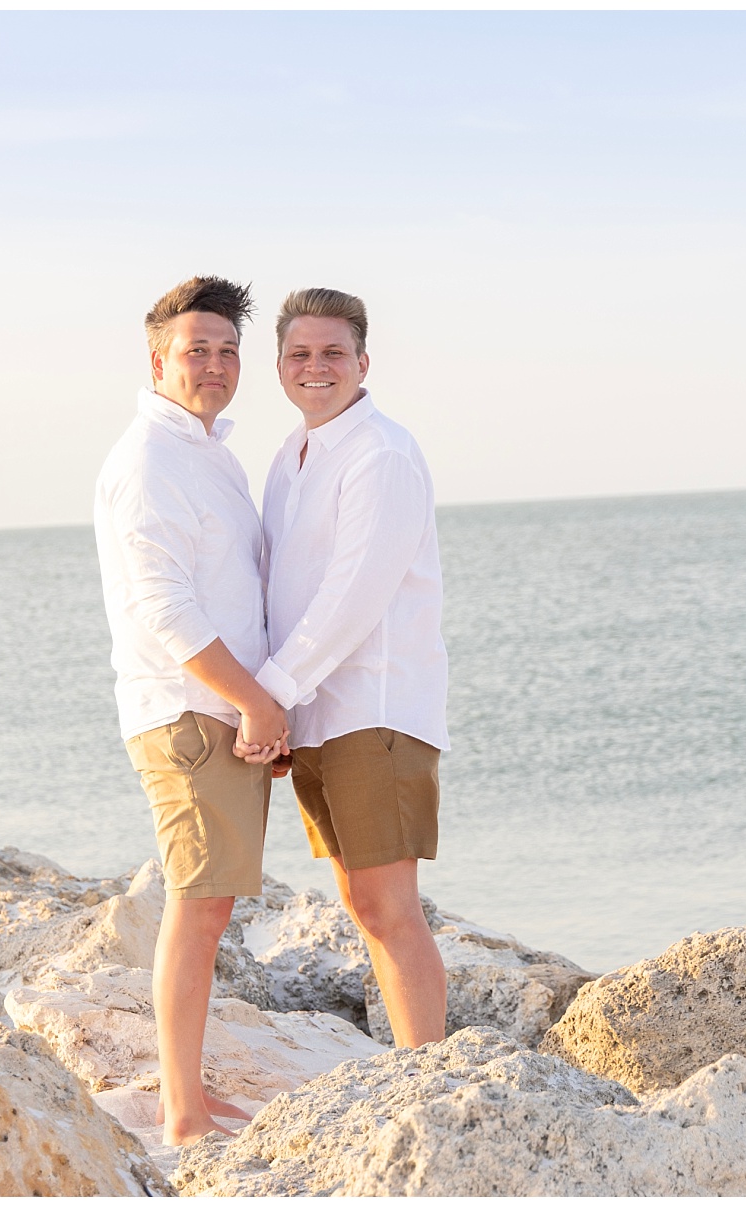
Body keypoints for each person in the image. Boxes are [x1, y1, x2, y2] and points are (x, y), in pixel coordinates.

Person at [93, 275, 289, 1145]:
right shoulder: (148, 461)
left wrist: (264, 705)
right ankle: (181, 1112)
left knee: (209, 906)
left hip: (225, 713)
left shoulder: (212, 455)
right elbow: (167, 611)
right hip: (187, 712)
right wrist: (255, 702)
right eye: (195, 349)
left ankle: (191, 1094)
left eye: (226, 349)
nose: (213, 363)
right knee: (198, 903)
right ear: (158, 359)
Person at [247, 286, 450, 1048]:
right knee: (362, 904)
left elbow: (353, 594)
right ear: (280, 366)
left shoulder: (382, 453)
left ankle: (427, 1067)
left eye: (333, 352)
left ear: (363, 361)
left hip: (376, 708)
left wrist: (268, 694)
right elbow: (279, 587)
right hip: (316, 714)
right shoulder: (291, 456)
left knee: (391, 906)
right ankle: (412, 1059)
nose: (316, 366)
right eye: (300, 353)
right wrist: (282, 710)